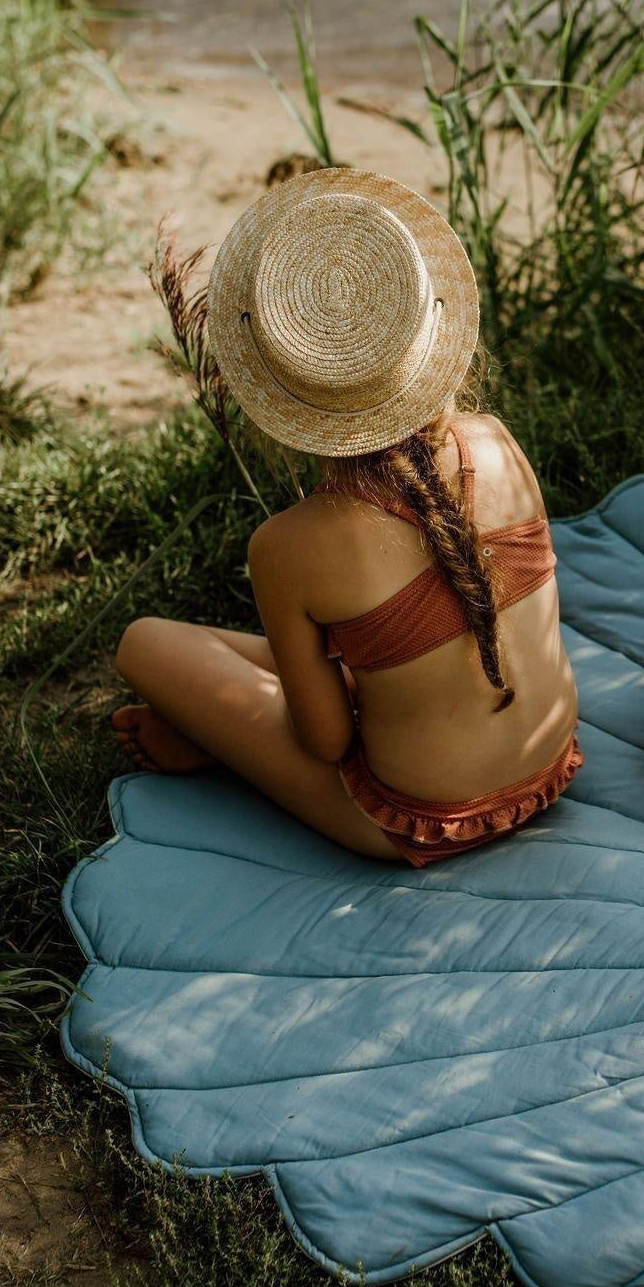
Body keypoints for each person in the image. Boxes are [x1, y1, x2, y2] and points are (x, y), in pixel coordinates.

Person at [111, 168, 583, 868]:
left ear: (282, 401)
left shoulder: (289, 544)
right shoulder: (496, 444)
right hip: (549, 766)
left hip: (418, 821)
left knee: (144, 643)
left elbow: (328, 742)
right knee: (383, 654)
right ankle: (216, 731)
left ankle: (219, 743)